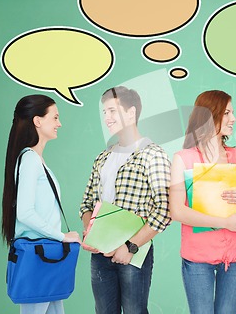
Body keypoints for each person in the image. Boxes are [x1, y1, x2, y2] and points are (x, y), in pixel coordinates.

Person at [79, 86, 171, 314]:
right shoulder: (103, 156)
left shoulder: (153, 155)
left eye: (112, 111)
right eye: (104, 113)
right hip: (100, 254)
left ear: (131, 113)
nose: (107, 118)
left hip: (133, 252)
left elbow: (165, 210)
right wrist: (90, 233)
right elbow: (87, 203)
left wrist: (130, 246)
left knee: (134, 311)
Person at [169, 90, 236, 314]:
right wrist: (224, 222)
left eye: (232, 113)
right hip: (198, 257)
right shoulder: (183, 159)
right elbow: (177, 211)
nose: (233, 119)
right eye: (227, 113)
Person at [2, 95, 81, 314]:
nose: (59, 123)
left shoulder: (36, 160)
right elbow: (25, 213)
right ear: (38, 121)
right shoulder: (29, 159)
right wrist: (62, 236)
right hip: (39, 256)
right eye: (55, 117)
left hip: (45, 256)